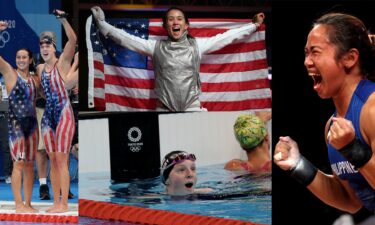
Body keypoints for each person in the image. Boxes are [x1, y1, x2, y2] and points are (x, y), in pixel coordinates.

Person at [274, 12, 375, 220]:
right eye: (305, 53)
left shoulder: (372, 108)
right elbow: (351, 201)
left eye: (315, 52)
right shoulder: (332, 126)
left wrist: (353, 150)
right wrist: (298, 165)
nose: (306, 62)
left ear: (349, 58)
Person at [90, 6, 264, 111]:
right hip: (163, 109)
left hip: (192, 108)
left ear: (186, 25)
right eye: (171, 19)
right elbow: (125, 39)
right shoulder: (155, 47)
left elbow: (226, 37)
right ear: (166, 25)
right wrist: (102, 24)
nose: (175, 22)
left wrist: (253, 25)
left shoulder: (198, 45)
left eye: (179, 19)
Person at [36, 9, 77, 213]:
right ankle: (56, 202)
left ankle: (64, 203)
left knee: (62, 158)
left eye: (48, 45)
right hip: (48, 117)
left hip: (63, 114)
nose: (44, 48)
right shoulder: (40, 69)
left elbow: (72, 39)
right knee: (52, 159)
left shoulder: (62, 63)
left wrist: (62, 19)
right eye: (42, 45)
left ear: (54, 48)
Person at [0, 21, 39, 213]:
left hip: (32, 127)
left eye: (24, 57)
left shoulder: (35, 80)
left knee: (30, 164)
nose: (21, 59)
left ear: (30, 60)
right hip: (16, 126)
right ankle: (18, 205)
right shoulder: (9, 73)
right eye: (18, 57)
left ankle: (28, 203)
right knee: (19, 163)